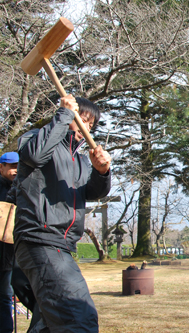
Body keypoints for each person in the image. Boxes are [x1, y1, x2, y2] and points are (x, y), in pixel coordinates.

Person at [14, 94, 111, 332]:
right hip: (40, 238)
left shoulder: (80, 159)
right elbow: (34, 155)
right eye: (83, 119)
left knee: (48, 323)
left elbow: (92, 192)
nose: (87, 128)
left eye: (91, 124)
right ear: (69, 114)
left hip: (62, 244)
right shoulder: (35, 138)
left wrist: (102, 171)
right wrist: (64, 114)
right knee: (78, 318)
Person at [0, 152, 18, 333]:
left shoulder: (23, 187)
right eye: (11, 166)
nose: (15, 170)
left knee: (6, 295)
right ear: (1, 167)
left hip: (13, 253)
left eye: (18, 166)